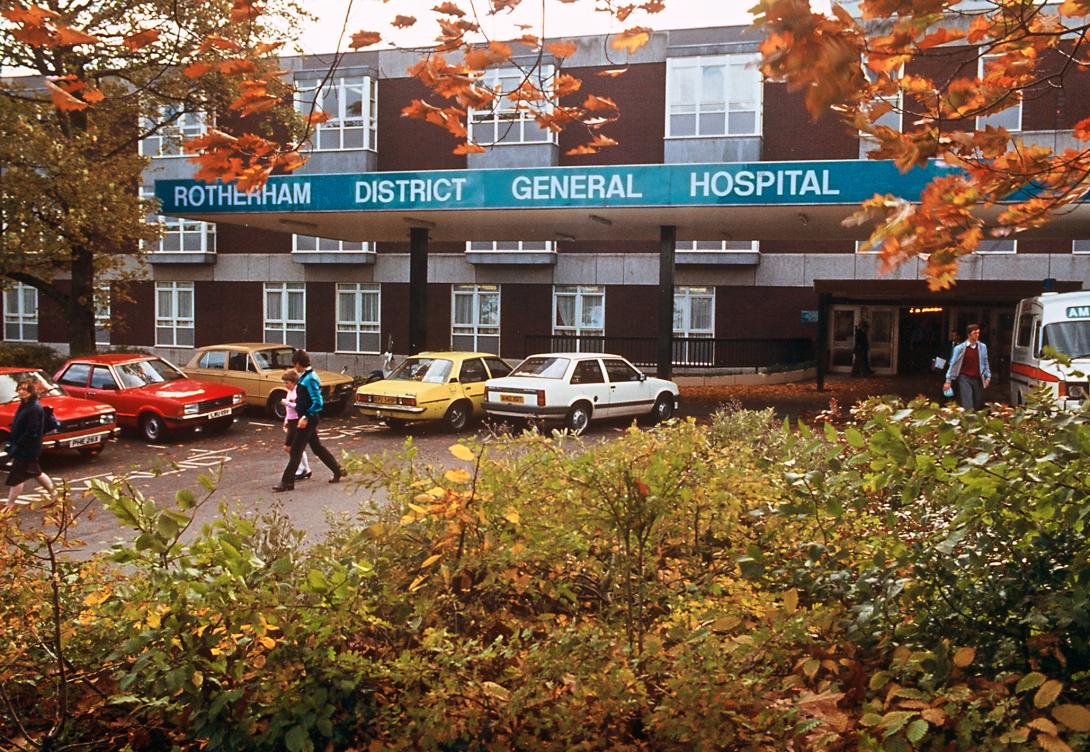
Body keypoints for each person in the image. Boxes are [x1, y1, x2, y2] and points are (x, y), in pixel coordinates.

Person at [273, 349, 344, 492]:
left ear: (298, 364)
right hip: (307, 417)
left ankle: (287, 482)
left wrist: (305, 416)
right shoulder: (306, 376)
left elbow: (318, 402)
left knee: (296, 450)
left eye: (295, 365)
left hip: (308, 419)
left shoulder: (310, 378)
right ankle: (338, 470)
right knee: (317, 448)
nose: (295, 368)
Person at [4, 377, 56, 511]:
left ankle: (10, 505)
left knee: (17, 476)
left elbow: (32, 431)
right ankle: (56, 496)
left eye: (25, 389)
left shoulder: (34, 408)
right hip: (25, 447)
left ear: (31, 391)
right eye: (20, 389)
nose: (21, 391)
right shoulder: (25, 405)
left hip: (27, 448)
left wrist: (18, 444)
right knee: (36, 472)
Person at [944, 323, 991, 411]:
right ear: (969, 334)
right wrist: (948, 381)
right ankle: (969, 421)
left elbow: (985, 362)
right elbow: (953, 364)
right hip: (964, 377)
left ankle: (973, 420)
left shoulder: (982, 347)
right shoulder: (960, 348)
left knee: (977, 402)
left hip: (977, 378)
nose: (977, 335)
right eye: (975, 333)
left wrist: (988, 376)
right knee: (968, 403)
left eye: (978, 333)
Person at [280, 370, 312, 481]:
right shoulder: (290, 391)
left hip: (296, 421)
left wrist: (286, 403)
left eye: (287, 383)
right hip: (291, 420)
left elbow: (298, 406)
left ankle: (301, 468)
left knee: (290, 447)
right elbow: (288, 409)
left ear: (293, 382)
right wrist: (286, 419)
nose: (285, 385)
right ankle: (305, 469)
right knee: (294, 447)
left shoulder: (296, 392)